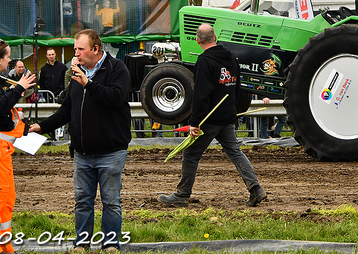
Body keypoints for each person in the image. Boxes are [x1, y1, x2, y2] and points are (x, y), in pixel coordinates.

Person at [30, 29, 131, 251]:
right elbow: (67, 109)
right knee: (82, 202)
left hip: (111, 152)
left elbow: (115, 98)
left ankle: (110, 244)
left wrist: (88, 84)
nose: (76, 54)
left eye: (80, 49)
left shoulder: (116, 69)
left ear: (95, 49)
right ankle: (82, 243)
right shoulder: (77, 74)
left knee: (111, 202)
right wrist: (41, 126)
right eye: (75, 49)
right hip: (82, 153)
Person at [158, 24, 267, 208]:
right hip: (227, 116)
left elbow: (202, 94)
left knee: (191, 154)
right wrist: (233, 111)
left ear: (197, 40)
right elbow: (237, 86)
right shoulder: (231, 57)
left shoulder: (204, 61)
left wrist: (195, 123)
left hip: (210, 118)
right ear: (215, 37)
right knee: (235, 152)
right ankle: (256, 189)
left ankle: (182, 195)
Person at [0, 38, 36, 254]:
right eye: (7, 57)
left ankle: (4, 245)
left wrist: (27, 130)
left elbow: (4, 118)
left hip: (2, 152)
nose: (9, 61)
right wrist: (18, 89)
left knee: (6, 198)